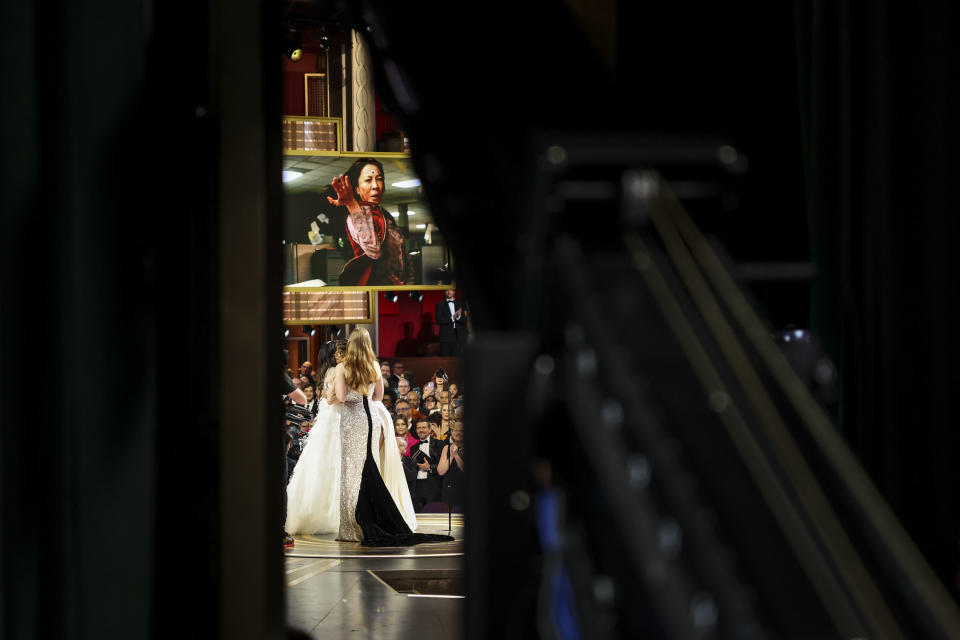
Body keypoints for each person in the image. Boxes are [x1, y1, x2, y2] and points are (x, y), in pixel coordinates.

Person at [333, 327, 451, 545]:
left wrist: (346, 394)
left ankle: (351, 527)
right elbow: (378, 396)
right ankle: (372, 516)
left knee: (351, 471)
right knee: (371, 467)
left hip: (352, 420)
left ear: (350, 345)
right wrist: (363, 396)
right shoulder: (374, 365)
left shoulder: (343, 367)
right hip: (371, 419)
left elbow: (340, 397)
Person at [326, 158, 414, 286]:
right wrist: (352, 205)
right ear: (357, 189)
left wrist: (407, 286)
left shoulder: (386, 217)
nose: (375, 186)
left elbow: (406, 257)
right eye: (368, 180)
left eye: (379, 179)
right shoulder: (354, 217)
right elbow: (374, 251)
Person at [411, 419, 445, 511]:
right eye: (418, 428)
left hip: (432, 485)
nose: (421, 430)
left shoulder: (440, 444)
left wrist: (430, 467)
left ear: (430, 430)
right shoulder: (413, 448)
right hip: (417, 485)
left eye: (424, 427)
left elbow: (444, 465)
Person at [438, 421, 465, 511]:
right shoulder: (446, 448)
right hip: (449, 488)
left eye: (461, 431)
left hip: (463, 487)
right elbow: (441, 471)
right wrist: (452, 455)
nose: (458, 433)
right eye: (455, 430)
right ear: (452, 433)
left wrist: (456, 455)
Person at [435, 289, 469, 355]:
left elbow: (464, 320)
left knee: (456, 360)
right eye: (447, 290)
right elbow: (438, 320)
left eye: (451, 290)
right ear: (444, 292)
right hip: (445, 337)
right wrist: (452, 318)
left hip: (457, 337)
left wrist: (458, 317)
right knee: (445, 360)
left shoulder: (460, 304)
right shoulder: (440, 304)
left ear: (454, 292)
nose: (449, 292)